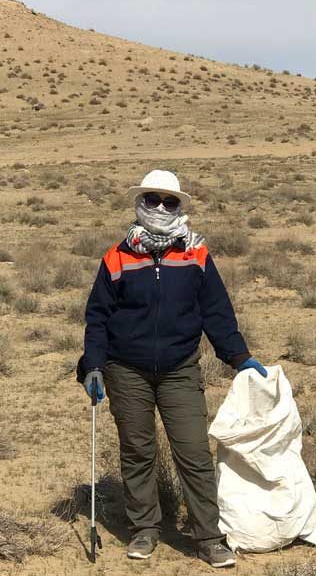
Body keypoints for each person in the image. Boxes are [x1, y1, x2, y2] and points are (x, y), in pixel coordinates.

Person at [76, 169, 267, 568]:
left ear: (179, 206)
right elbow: (98, 317)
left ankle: (209, 537)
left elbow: (216, 310)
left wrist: (237, 356)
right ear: (140, 203)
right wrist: (93, 365)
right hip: (125, 370)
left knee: (194, 452)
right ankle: (145, 529)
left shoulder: (195, 253)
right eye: (153, 200)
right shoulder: (117, 256)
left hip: (180, 368)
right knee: (137, 451)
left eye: (170, 201)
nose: (161, 208)